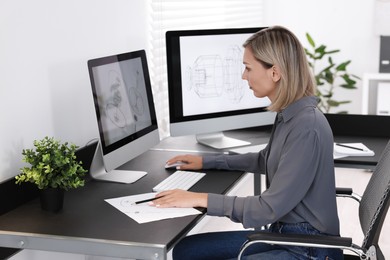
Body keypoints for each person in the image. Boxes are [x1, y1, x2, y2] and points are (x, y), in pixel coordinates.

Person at [151, 26, 343, 259]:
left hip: (307, 248)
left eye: (248, 68)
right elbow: (265, 159)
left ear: (275, 72)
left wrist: (199, 198)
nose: (243, 76)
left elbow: (267, 209)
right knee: (186, 250)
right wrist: (207, 161)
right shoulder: (290, 114)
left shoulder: (306, 127)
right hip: (286, 234)